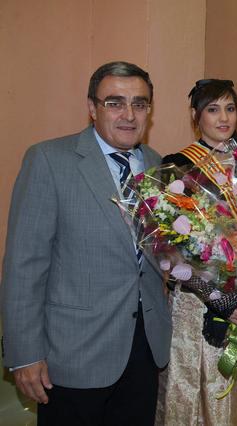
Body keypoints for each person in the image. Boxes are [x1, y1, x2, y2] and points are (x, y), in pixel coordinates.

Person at [1, 61, 171, 425]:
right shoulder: (49, 160)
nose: (129, 115)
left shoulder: (158, 166)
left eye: (139, 104)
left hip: (144, 350)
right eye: (115, 103)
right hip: (73, 353)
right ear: (92, 108)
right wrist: (25, 354)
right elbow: (24, 265)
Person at [155, 78, 237, 425]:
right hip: (199, 304)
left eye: (230, 108)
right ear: (196, 116)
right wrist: (221, 299)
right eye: (213, 109)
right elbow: (169, 248)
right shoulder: (177, 165)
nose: (224, 117)